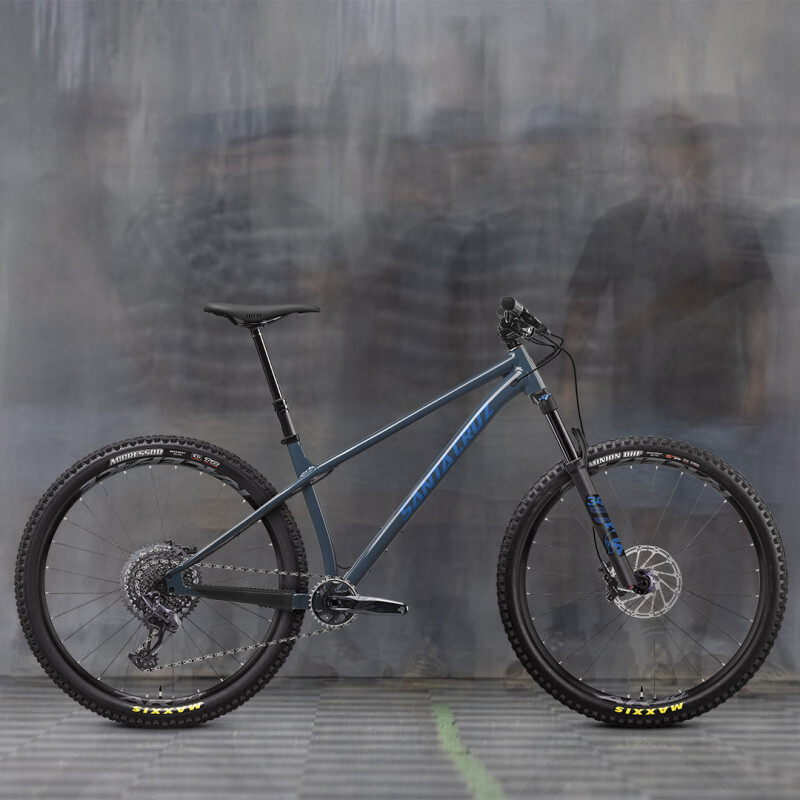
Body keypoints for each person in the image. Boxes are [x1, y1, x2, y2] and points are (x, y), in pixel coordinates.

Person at [563, 110, 772, 438]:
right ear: (646, 156)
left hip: (716, 400)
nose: (670, 155)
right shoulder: (618, 224)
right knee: (640, 471)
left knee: (714, 470)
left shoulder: (734, 226)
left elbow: (755, 309)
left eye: (680, 144)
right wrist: (569, 383)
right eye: (660, 145)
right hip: (638, 397)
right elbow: (583, 308)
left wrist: (757, 383)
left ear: (698, 153)